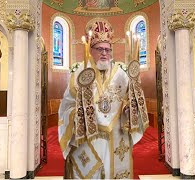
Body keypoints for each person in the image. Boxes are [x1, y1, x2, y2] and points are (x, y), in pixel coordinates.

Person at [58, 19, 149, 179]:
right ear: (90, 50)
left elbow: (130, 101)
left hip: (116, 136)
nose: (104, 53)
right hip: (88, 139)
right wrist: (78, 115)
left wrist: (129, 109)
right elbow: (66, 107)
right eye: (100, 49)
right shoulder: (79, 73)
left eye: (108, 49)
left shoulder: (121, 74)